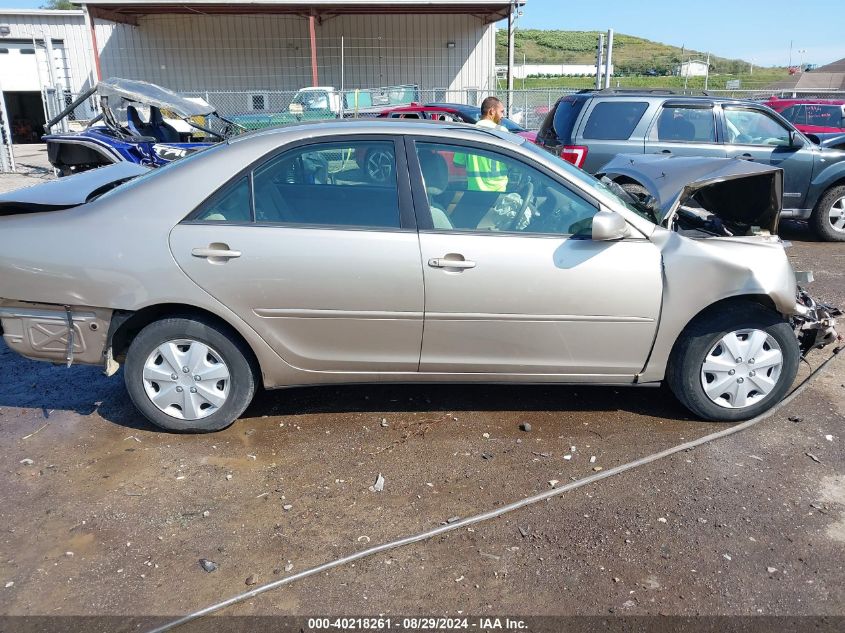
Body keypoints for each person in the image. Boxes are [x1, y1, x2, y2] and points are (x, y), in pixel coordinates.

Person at [453, 96, 509, 191]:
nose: (503, 116)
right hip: (498, 193)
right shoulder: (502, 132)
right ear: (492, 111)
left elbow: (457, 163)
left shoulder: (467, 133)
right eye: (501, 112)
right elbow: (511, 161)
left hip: (474, 192)